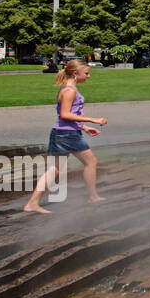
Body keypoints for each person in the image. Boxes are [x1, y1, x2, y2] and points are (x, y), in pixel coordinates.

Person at [24, 58, 107, 213]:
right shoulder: (69, 91)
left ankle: (32, 203)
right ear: (75, 73)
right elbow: (65, 114)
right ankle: (93, 196)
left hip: (61, 133)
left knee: (55, 169)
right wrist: (92, 119)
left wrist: (85, 127)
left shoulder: (68, 89)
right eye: (86, 73)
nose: (88, 76)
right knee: (91, 162)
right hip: (67, 135)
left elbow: (68, 116)